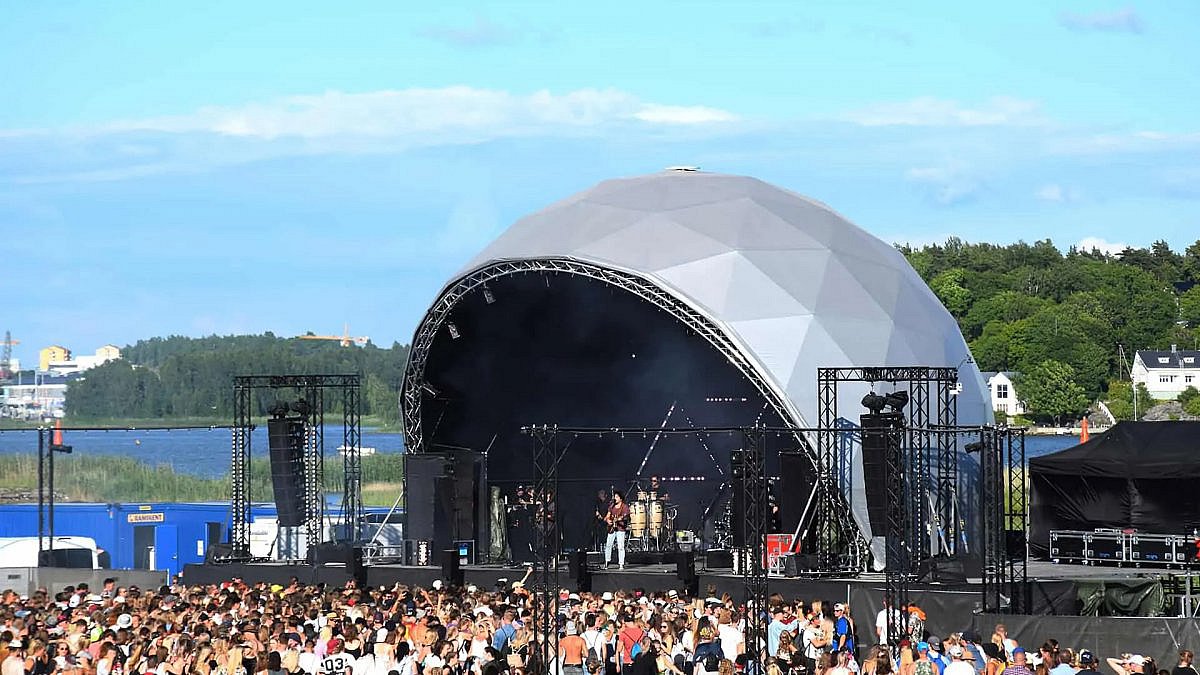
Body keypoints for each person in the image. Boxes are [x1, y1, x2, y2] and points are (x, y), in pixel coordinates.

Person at [605, 493, 631, 569]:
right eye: (614, 497)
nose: (615, 498)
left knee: (621, 546)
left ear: (621, 498)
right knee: (608, 545)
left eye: (616, 497)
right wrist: (608, 520)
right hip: (611, 528)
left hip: (620, 529)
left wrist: (620, 518)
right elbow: (607, 516)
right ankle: (607, 561)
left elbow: (626, 516)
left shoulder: (624, 507)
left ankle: (621, 564)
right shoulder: (612, 506)